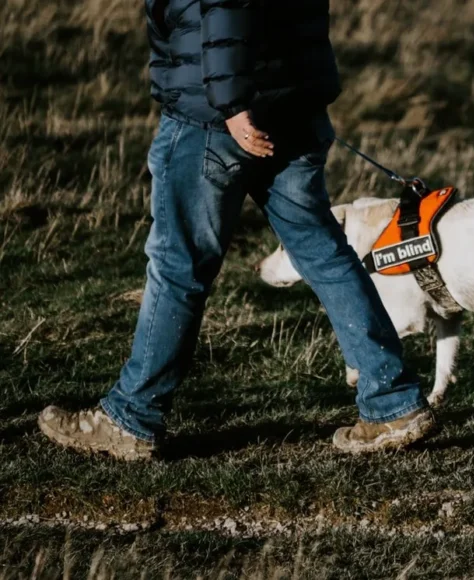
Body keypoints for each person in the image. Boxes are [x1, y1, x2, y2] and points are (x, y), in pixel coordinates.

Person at [37, 0, 436, 459]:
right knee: (325, 254)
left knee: (178, 268)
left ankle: (132, 417)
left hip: (216, 120)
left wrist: (232, 105)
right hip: (293, 111)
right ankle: (392, 404)